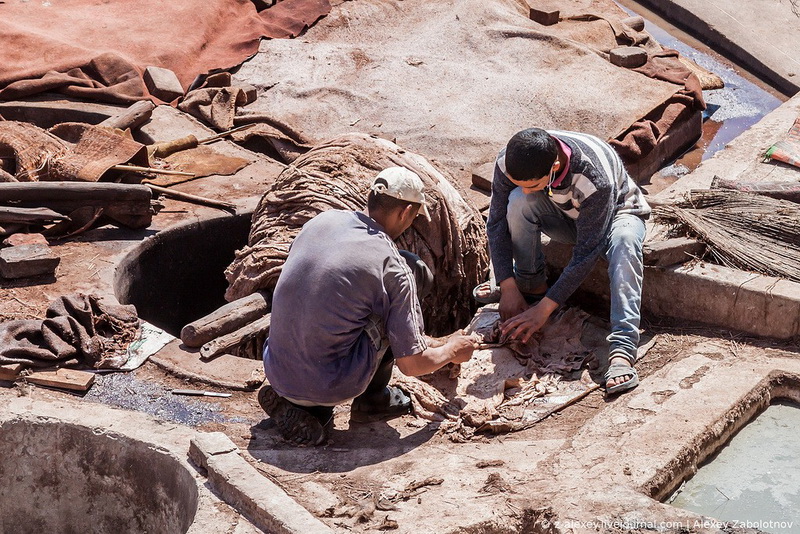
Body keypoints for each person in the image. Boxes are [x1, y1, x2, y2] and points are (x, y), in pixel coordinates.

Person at [259, 166, 479, 446]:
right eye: (413, 217)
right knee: (408, 281)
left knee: (334, 301)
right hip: (328, 385)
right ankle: (366, 402)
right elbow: (411, 365)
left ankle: (294, 398)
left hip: (276, 368)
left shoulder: (322, 222)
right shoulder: (394, 269)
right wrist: (451, 351)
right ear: (405, 213)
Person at [475, 128, 650, 395]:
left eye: (532, 183)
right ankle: (530, 288)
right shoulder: (509, 160)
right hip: (566, 214)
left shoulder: (594, 179)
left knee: (625, 242)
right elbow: (496, 222)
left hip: (616, 214)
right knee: (518, 201)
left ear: (555, 166)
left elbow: (586, 252)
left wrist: (544, 311)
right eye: (516, 180)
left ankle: (622, 349)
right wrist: (507, 285)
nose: (523, 187)